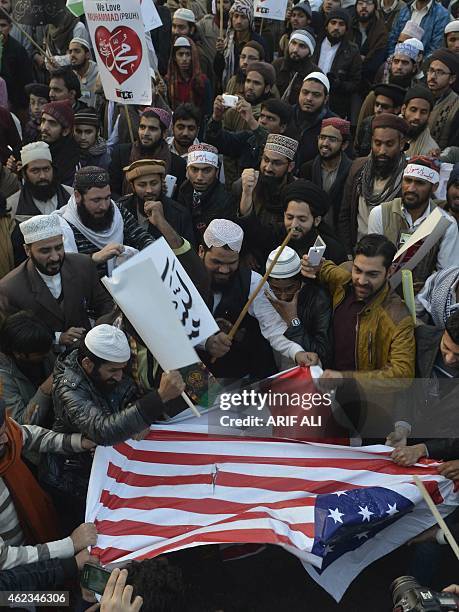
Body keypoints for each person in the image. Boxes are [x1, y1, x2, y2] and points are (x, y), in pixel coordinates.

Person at [300, 233, 415, 391]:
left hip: (366, 402)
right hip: (327, 388)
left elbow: (403, 375)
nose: (361, 281)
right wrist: (311, 264)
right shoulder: (343, 282)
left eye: (372, 274)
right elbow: (324, 268)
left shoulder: (398, 317)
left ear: (390, 271)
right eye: (358, 270)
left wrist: (345, 379)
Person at [198, 219, 310, 379]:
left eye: (231, 263)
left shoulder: (253, 282)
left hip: (235, 377)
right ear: (201, 251)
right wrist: (205, 343)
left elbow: (273, 329)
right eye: (216, 262)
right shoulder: (184, 277)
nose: (224, 270)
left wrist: (297, 353)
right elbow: (171, 328)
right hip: (191, 374)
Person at [0, 395, 97, 570]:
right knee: (60, 598)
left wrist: (79, 442)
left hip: (40, 534)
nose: (6, 440)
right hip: (20, 579)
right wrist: (70, 546)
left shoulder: (6, 434)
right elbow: (4, 558)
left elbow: (26, 435)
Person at [0, 213, 113, 347]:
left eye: (59, 247)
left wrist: (99, 331)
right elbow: (13, 335)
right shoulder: (10, 288)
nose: (55, 257)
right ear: (27, 250)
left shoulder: (82, 265)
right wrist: (57, 337)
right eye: (45, 251)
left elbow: (103, 304)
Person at [368, 157, 459, 290]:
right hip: (380, 297)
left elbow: (446, 278)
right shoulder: (380, 213)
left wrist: (425, 288)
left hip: (423, 303)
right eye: (408, 180)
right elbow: (371, 261)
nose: (411, 188)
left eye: (419, 183)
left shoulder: (446, 224)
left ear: (434, 187)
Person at [389, 309, 459, 464]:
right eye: (446, 348)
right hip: (405, 439)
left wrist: (422, 449)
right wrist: (402, 426)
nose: (449, 359)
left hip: (446, 458)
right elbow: (405, 385)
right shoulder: (421, 338)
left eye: (458, 356)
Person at [56, 166, 154, 277]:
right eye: (96, 200)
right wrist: (93, 259)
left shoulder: (117, 211)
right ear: (78, 196)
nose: (103, 206)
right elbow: (64, 268)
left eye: (107, 198)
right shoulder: (65, 225)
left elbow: (142, 238)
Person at [339, 113, 408, 254]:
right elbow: (345, 215)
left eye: (389, 144)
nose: (382, 151)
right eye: (378, 143)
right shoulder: (358, 168)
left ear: (401, 144)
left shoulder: (408, 178)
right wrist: (348, 254)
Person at [265, 245, 333, 369]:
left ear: (300, 281)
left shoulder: (318, 299)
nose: (283, 296)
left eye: (289, 288)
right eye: (276, 289)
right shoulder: (264, 294)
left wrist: (293, 321)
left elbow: (323, 354)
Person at [237, 134, 298, 268]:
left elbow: (274, 235)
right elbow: (233, 226)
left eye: (277, 163)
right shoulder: (245, 185)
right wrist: (244, 252)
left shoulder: (297, 195)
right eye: (266, 160)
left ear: (290, 166)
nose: (268, 168)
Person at [206, 97, 292, 186]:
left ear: (283, 127)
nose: (263, 121)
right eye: (262, 116)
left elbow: (269, 145)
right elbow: (215, 142)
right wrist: (216, 118)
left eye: (270, 118)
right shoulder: (248, 139)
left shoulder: (289, 148)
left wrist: (251, 121)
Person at [220, 60, 277, 187]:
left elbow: (269, 145)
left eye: (256, 83)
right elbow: (227, 151)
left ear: (267, 88)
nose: (250, 86)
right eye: (248, 81)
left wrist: (252, 120)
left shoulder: (273, 115)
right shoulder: (233, 112)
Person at [109, 107, 186, 199]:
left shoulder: (178, 164)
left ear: (164, 133)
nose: (145, 133)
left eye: (152, 129)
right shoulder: (121, 153)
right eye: (142, 127)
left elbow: (179, 202)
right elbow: (112, 192)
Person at [119, 159, 195, 245]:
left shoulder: (180, 214)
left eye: (154, 183)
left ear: (162, 183)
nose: (149, 190)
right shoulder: (121, 209)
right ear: (133, 187)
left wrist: (161, 222)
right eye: (142, 185)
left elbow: (188, 253)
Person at [0, 311, 55, 426]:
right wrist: (45, 390)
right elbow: (21, 425)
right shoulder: (4, 379)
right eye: (41, 353)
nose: (47, 354)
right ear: (19, 354)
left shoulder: (40, 347)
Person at [299, 118, 353, 233]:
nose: (325, 144)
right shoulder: (307, 169)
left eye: (332, 139)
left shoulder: (352, 171)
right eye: (322, 138)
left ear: (344, 145)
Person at [177, 143, 236, 244]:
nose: (199, 177)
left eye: (206, 170)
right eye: (194, 169)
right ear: (187, 170)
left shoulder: (225, 200)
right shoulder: (183, 190)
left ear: (216, 172)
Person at [7, 141, 74, 224]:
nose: (42, 176)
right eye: (35, 171)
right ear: (24, 174)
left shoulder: (72, 196)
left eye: (46, 169)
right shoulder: (13, 206)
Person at [281, 179, 347, 263]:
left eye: (302, 219)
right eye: (289, 217)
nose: (294, 225)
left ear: (317, 221)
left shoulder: (332, 250)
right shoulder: (275, 238)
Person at [313, 9, 362, 120]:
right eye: (333, 23)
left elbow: (356, 83)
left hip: (335, 104)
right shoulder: (315, 43)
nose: (336, 27)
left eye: (341, 24)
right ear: (326, 25)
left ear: (346, 29)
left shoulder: (352, 51)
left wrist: (339, 84)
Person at [215, 0, 270, 89]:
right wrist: (220, 53)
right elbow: (218, 70)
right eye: (236, 16)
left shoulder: (259, 43)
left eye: (243, 17)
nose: (239, 21)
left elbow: (265, 70)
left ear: (250, 19)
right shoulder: (227, 40)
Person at [293, 72, 336, 169]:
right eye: (305, 92)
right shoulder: (287, 115)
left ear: (326, 98)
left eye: (316, 95)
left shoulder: (334, 125)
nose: (309, 98)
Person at [354, 83, 406, 158]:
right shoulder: (367, 123)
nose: (378, 110)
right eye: (377, 105)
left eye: (384, 107)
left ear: (397, 109)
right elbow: (357, 150)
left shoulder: (402, 129)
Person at [166, 36, 212, 117]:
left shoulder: (202, 81)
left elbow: (207, 112)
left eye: (188, 54)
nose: (184, 59)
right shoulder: (168, 81)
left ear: (193, 57)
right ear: (174, 58)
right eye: (180, 54)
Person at [39, 100, 80, 187]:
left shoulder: (71, 159)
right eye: (43, 121)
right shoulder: (35, 146)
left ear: (65, 131)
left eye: (52, 123)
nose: (44, 128)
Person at [0, 12, 33, 115]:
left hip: (13, 104)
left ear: (10, 27)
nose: (0, 29)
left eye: (3, 25)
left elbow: (25, 81)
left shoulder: (18, 50)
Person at [273, 29, 319, 105]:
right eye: (293, 43)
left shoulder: (315, 73)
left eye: (302, 46)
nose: (295, 49)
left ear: (310, 51)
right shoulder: (277, 64)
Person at [426, 49, 459, 151]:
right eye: (431, 70)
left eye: (440, 72)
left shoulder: (456, 106)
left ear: (452, 79)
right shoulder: (419, 97)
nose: (432, 77)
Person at [351, 0, 388, 88]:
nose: (364, 6)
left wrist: (355, 59)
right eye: (360, 3)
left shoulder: (381, 31)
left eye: (368, 3)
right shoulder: (349, 26)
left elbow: (374, 65)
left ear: (375, 7)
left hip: (367, 83)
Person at [171, 7, 214, 83]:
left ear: (191, 30)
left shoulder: (199, 55)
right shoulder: (172, 47)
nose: (176, 31)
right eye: (174, 26)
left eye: (181, 27)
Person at [401, 86, 439, 157]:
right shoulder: (386, 132)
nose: (417, 117)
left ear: (429, 115)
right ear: (403, 110)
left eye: (423, 112)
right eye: (413, 110)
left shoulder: (431, 150)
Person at [68, 37, 99, 109]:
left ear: (87, 55)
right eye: (70, 52)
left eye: (77, 51)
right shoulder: (70, 75)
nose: (72, 55)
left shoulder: (99, 74)